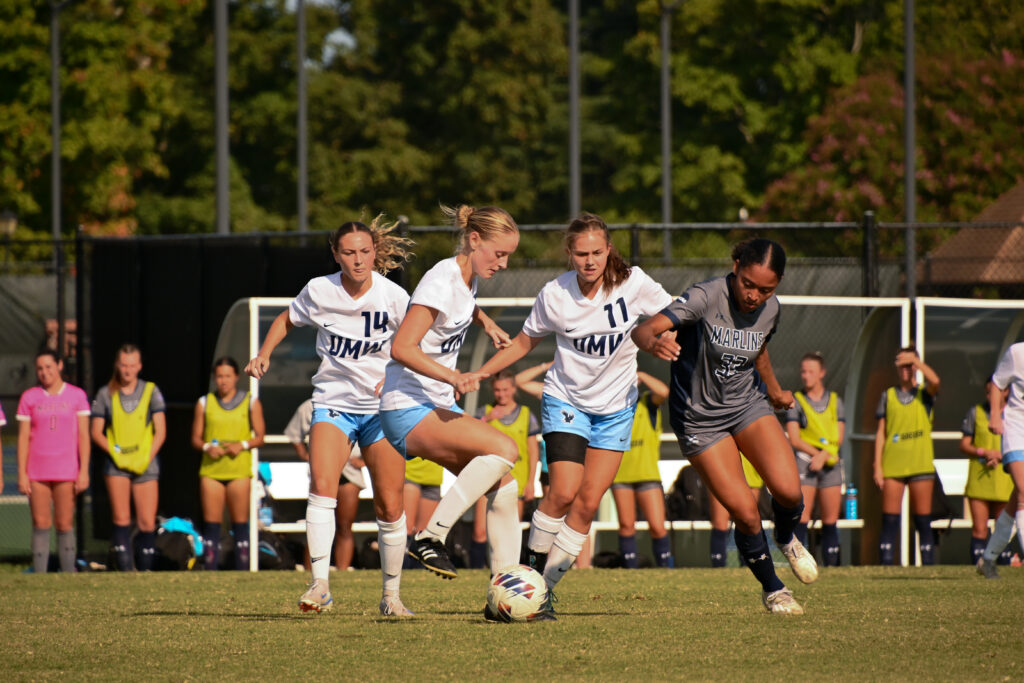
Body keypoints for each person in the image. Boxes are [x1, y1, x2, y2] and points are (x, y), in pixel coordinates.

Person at [475, 212, 674, 615]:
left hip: (617, 409)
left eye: (597, 252)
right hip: (567, 401)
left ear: (608, 250)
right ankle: (522, 579)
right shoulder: (555, 294)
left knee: (586, 503)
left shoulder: (633, 283)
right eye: (581, 253)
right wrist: (479, 373)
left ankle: (541, 593)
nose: (589, 261)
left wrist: (664, 337)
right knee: (563, 491)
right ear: (569, 253)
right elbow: (524, 343)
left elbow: (674, 316)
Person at [632, 238, 817, 614]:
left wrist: (777, 392)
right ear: (735, 267)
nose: (754, 295)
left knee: (789, 491)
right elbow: (643, 330)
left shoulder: (771, 309)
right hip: (699, 419)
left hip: (747, 405)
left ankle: (786, 538)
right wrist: (653, 344)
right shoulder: (705, 297)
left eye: (766, 289)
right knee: (746, 512)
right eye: (748, 283)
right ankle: (774, 590)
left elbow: (759, 348)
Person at [246, 216, 414, 616]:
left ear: (376, 252)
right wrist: (264, 353)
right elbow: (287, 318)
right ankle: (320, 584)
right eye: (349, 252)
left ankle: (391, 597)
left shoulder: (393, 296)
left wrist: (393, 378)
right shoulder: (320, 290)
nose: (358, 260)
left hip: (380, 409)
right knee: (322, 486)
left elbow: (414, 343)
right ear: (336, 254)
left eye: (365, 251)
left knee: (390, 505)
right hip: (334, 401)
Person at [379, 204, 523, 593]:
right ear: (474, 241)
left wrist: (487, 323)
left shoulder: (465, 277)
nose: (504, 264)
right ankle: (430, 537)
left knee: (503, 486)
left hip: (434, 405)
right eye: (499, 254)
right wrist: (454, 376)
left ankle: (507, 592)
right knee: (505, 449)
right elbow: (402, 348)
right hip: (408, 405)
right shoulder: (441, 278)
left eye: (509, 255)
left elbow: (460, 305)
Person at [90, 344, 167, 571]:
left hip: (146, 464)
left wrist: (145, 458)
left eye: (132, 365)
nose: (127, 370)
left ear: (139, 366)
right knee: (121, 518)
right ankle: (125, 573)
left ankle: (145, 571)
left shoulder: (151, 391)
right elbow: (96, 432)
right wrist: (116, 454)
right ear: (117, 365)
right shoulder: (106, 393)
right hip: (117, 466)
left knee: (146, 521)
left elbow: (161, 431)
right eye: (124, 365)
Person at [16, 350, 90, 573]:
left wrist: (84, 470)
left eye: (48, 366)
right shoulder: (29, 397)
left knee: (65, 524)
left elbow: (84, 436)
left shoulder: (77, 396)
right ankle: (41, 576)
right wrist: (22, 473)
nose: (44, 372)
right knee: (40, 523)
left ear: (59, 365)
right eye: (40, 368)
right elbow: (23, 438)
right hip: (37, 471)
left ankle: (68, 575)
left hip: (67, 471)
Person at [190, 357, 266, 570]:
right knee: (212, 524)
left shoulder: (250, 401)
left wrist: (241, 445)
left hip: (238, 470)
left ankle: (243, 571)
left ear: (236, 377)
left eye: (227, 376)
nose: (223, 381)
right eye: (219, 376)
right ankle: (211, 571)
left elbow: (260, 436)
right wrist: (207, 447)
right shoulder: (205, 403)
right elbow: (195, 438)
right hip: (212, 470)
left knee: (240, 524)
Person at [872, 345, 940, 565]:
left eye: (908, 365)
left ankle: (928, 567)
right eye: (900, 364)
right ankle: (886, 568)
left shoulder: (924, 394)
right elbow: (881, 432)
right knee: (890, 520)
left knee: (922, 520)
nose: (905, 369)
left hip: (920, 464)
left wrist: (916, 363)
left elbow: (936, 382)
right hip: (894, 465)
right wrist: (877, 466)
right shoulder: (888, 395)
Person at [285, 398, 368, 571]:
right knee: (318, 524)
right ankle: (312, 574)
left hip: (350, 472)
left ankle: (343, 570)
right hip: (323, 469)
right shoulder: (311, 405)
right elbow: (294, 434)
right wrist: (307, 456)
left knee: (345, 526)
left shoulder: (360, 402)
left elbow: (375, 435)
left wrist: (364, 460)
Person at [470, 368, 540, 568]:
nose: (501, 394)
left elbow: (533, 452)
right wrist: (486, 420)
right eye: (497, 390)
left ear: (513, 389)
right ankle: (474, 572)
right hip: (487, 482)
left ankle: (509, 571)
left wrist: (530, 484)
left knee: (509, 533)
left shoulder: (526, 414)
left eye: (505, 389)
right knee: (480, 531)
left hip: (515, 484)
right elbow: (471, 440)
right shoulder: (484, 412)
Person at [785, 352, 845, 566]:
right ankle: (801, 565)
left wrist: (825, 454)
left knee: (830, 520)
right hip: (806, 461)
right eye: (803, 371)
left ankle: (832, 566)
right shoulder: (797, 401)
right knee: (802, 517)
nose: (806, 375)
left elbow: (838, 437)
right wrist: (815, 455)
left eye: (811, 371)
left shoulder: (836, 401)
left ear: (822, 373)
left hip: (829, 462)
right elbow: (794, 438)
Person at [611, 371, 673, 568]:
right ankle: (630, 571)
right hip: (621, 475)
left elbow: (663, 391)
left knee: (657, 526)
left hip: (647, 475)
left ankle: (666, 569)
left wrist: (640, 374)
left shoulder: (648, 403)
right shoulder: (613, 407)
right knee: (627, 525)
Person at [977, 343, 1024, 579]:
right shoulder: (1017, 353)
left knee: (1017, 498)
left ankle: (988, 558)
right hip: (1016, 429)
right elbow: (997, 383)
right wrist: (995, 415)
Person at [960, 381, 1014, 568]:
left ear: (1006, 392)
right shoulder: (976, 413)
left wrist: (1001, 455)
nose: (991, 396)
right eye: (988, 392)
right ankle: (979, 565)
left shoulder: (1014, 414)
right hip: (980, 476)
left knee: (1003, 526)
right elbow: (965, 444)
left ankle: (1004, 564)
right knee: (979, 528)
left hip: (1004, 477)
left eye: (996, 392)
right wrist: (984, 452)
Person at [708, 455, 762, 567]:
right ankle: (718, 570)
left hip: (750, 475)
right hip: (721, 471)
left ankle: (746, 567)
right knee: (720, 524)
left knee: (747, 523)